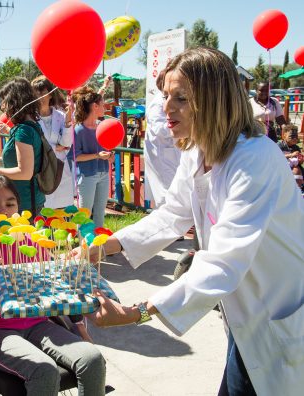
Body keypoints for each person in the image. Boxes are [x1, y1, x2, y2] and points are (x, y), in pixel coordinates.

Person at [81, 47, 304, 395]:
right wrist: (101, 247)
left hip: (277, 324)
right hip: (244, 321)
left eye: (181, 98)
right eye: (166, 96)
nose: (167, 108)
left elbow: (224, 263)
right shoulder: (198, 152)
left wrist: (137, 312)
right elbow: (172, 215)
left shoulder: (254, 160)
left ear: (213, 100)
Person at [0, 174, 106, 396]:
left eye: (10, 204)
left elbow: (60, 288)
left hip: (38, 324)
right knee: (44, 370)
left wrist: (79, 324)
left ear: (18, 209)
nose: (3, 211)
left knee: (93, 359)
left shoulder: (34, 243)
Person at [0, 77, 45, 215]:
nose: (2, 106)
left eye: (4, 101)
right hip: (27, 201)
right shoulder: (30, 126)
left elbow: (24, 172)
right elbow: (15, 163)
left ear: (14, 101)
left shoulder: (23, 131)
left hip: (24, 205)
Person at [67, 86, 113, 228]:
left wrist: (110, 156)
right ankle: (84, 245)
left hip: (104, 174)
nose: (105, 107)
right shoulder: (79, 130)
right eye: (102, 104)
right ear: (95, 106)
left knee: (100, 213)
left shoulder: (102, 127)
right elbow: (75, 156)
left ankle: (98, 246)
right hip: (87, 177)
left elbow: (107, 148)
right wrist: (97, 155)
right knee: (85, 214)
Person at [31, 75, 75, 209]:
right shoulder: (31, 117)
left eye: (42, 93)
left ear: (50, 94)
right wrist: (56, 147)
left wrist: (68, 121)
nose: (39, 96)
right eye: (35, 93)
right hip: (41, 169)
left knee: (61, 212)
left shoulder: (61, 116)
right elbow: (36, 145)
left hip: (60, 168)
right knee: (43, 210)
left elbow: (67, 143)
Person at [143, 71, 181, 208]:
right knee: (166, 197)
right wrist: (180, 126)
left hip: (172, 152)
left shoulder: (168, 100)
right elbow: (158, 128)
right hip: (162, 155)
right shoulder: (158, 103)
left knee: (176, 193)